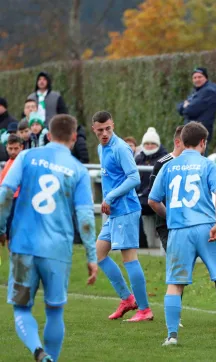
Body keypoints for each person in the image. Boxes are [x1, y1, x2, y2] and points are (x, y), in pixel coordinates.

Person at [148, 122, 216, 346]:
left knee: (175, 284)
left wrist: (170, 217)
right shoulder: (209, 165)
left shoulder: (168, 166)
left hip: (178, 231)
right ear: (203, 142)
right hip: (206, 228)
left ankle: (171, 336)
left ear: (182, 141)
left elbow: (152, 200)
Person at [0, 114, 97, 362]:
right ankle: (50, 356)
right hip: (58, 249)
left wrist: (1, 228)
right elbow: (85, 216)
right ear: (74, 138)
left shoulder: (26, 156)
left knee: (21, 309)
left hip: (23, 245)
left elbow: (5, 193)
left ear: (49, 135)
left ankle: (38, 352)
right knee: (54, 312)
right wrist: (91, 256)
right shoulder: (78, 170)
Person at [147, 126, 216, 315]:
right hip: (170, 225)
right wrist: (170, 215)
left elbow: (152, 199)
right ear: (179, 142)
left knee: (214, 264)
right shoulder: (164, 163)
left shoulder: (197, 164)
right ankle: (177, 315)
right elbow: (153, 198)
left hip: (190, 224)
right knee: (179, 273)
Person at [92, 111, 153, 322]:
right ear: (94, 130)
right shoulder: (101, 148)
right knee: (99, 252)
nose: (105, 133)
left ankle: (144, 310)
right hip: (115, 210)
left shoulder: (120, 148)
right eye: (100, 130)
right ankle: (127, 299)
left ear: (113, 125)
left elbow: (134, 178)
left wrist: (110, 196)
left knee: (129, 259)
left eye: (108, 128)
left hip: (126, 209)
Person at [177, 67, 216, 150]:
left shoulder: (208, 92)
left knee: (198, 161)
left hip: (200, 133)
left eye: (200, 77)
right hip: (191, 133)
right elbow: (179, 107)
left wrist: (186, 106)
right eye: (194, 77)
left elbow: (190, 111)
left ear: (206, 78)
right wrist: (184, 106)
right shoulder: (197, 91)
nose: (197, 80)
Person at [0, 135, 24, 238]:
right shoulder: (8, 163)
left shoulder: (23, 162)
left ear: (21, 147)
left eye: (16, 148)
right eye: (10, 148)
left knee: (16, 230)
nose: (13, 151)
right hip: (7, 198)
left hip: (18, 199)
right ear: (6, 147)